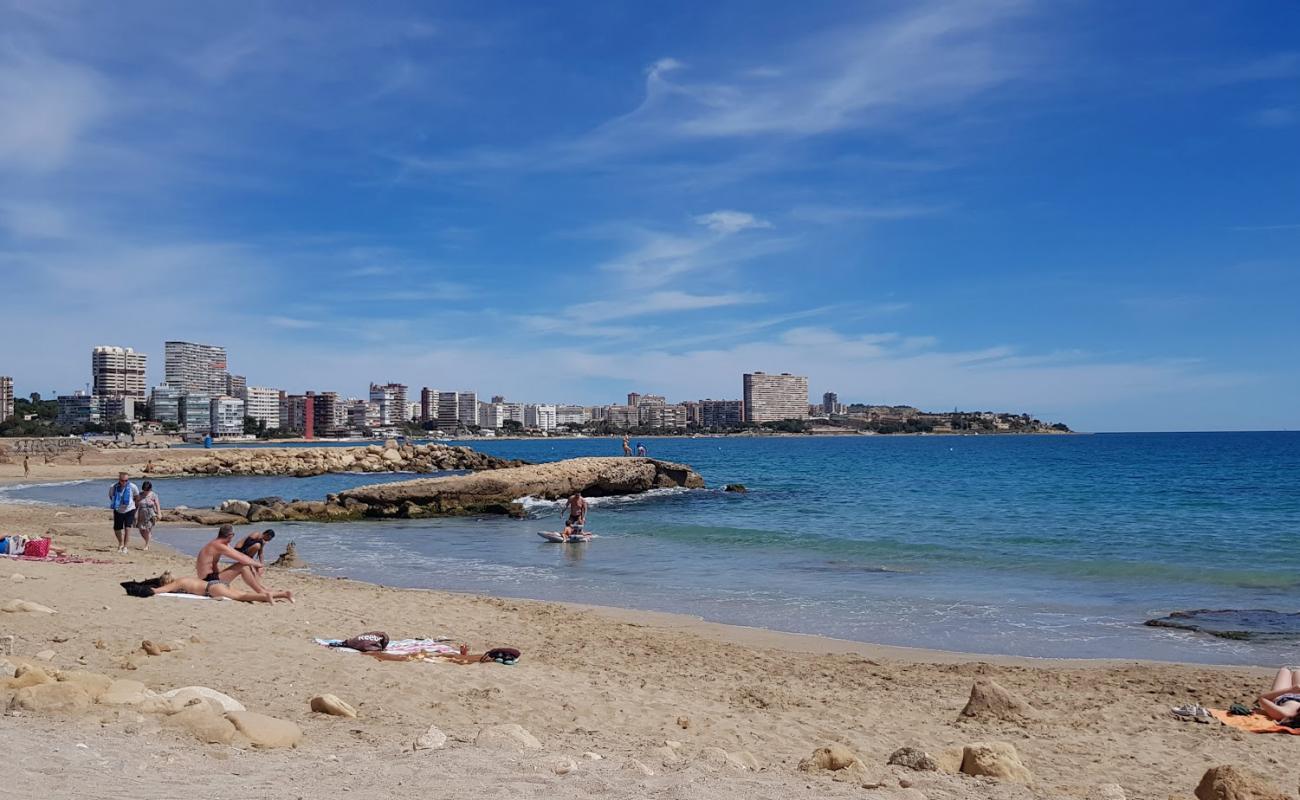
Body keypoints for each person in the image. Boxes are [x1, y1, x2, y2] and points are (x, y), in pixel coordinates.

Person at [196, 524, 283, 598]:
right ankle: (261, 591)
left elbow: (241, 556)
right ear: (230, 535)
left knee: (244, 564)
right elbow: (242, 558)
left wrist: (257, 564)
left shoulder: (216, 543)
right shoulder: (219, 546)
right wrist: (259, 565)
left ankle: (261, 589)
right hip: (208, 581)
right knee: (243, 566)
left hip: (210, 578)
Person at [148, 574, 289, 604]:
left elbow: (159, 591)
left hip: (212, 589)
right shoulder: (184, 578)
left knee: (243, 597)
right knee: (244, 593)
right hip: (216, 583)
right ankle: (283, 594)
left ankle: (268, 597)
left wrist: (150, 591)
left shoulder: (177, 583)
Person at [109, 472, 140, 554]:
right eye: (123, 480)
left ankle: (125, 547)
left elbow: (137, 497)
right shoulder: (113, 487)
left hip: (130, 509)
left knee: (127, 528)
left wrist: (135, 508)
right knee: (117, 529)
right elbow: (111, 496)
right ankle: (120, 543)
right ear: (119, 480)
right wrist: (116, 503)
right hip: (118, 510)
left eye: (126, 480)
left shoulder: (133, 487)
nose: (124, 482)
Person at [135, 481, 162, 551]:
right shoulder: (139, 495)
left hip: (150, 514)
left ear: (150, 489)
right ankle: (148, 540)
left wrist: (159, 513)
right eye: (144, 490)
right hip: (141, 514)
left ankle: (146, 545)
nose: (146, 491)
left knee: (147, 529)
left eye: (147, 490)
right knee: (141, 529)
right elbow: (136, 504)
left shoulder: (154, 495)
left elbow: (157, 505)